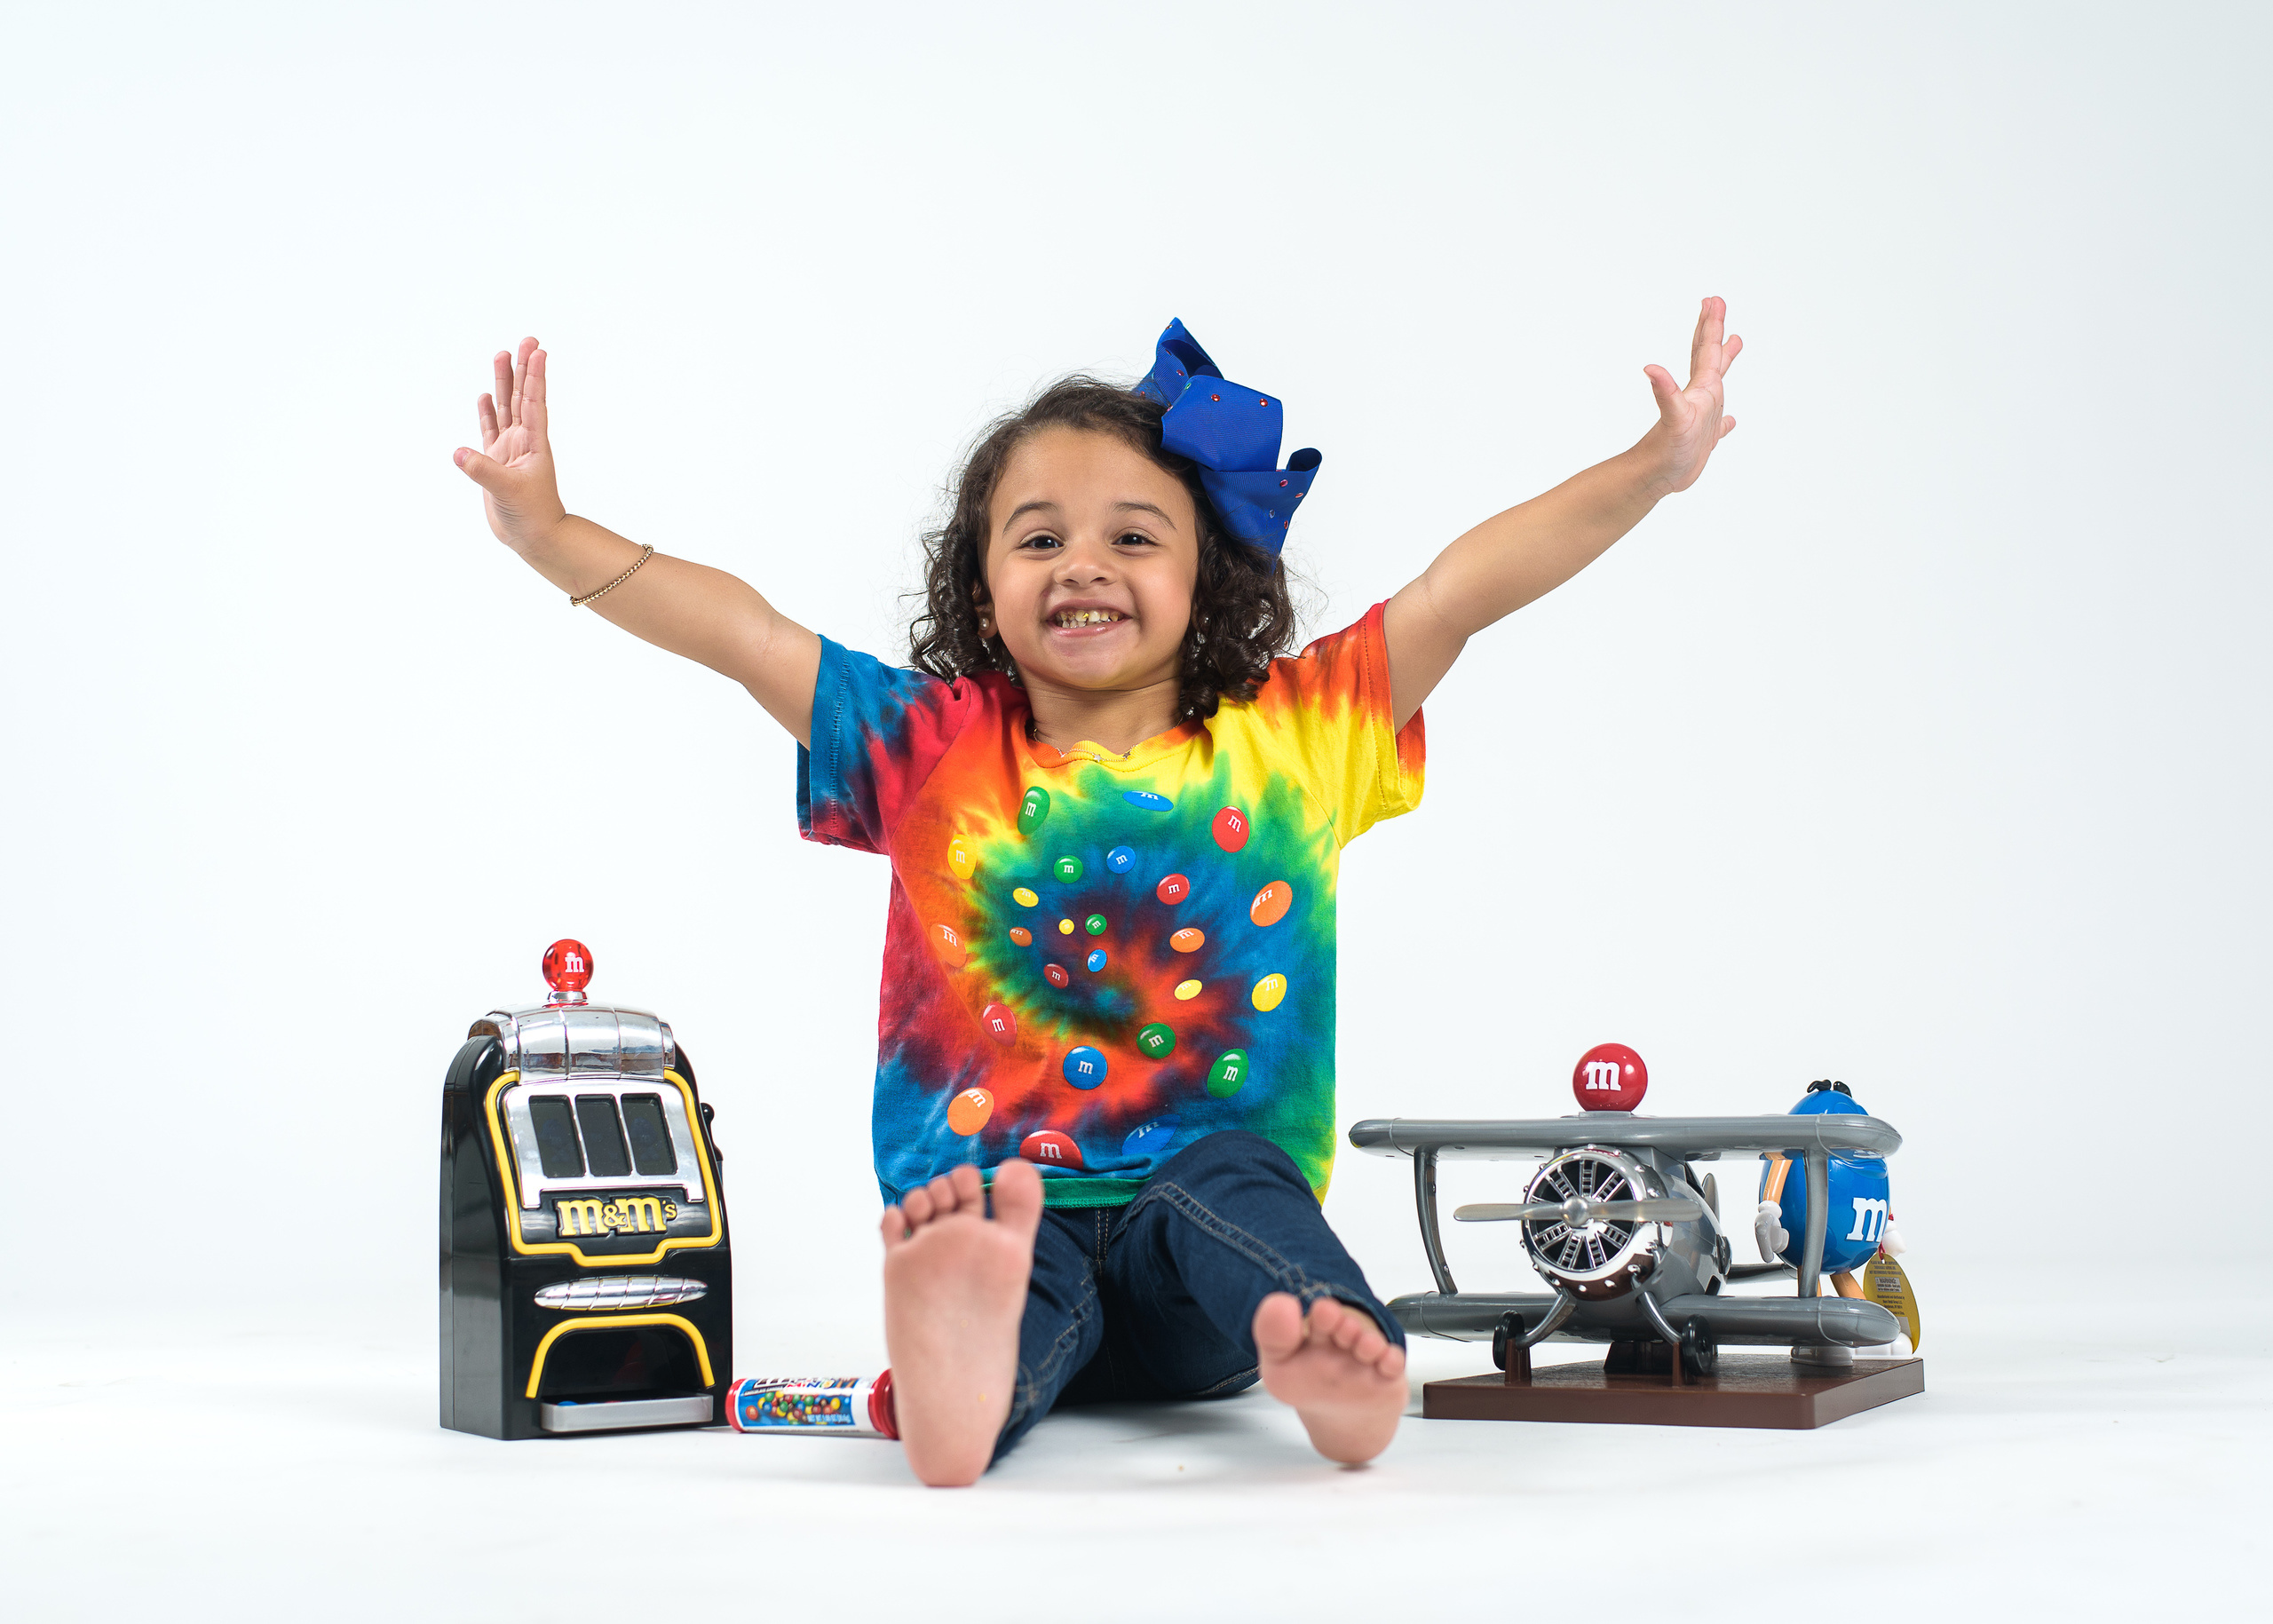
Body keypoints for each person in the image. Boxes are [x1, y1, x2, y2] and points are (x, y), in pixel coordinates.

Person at [453, 306, 1740, 1485]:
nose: (1084, 563)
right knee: (1010, 1259)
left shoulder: (1297, 731)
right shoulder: (925, 743)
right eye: (1040, 536)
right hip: (1005, 1207)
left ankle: (1329, 1345)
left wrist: (1653, 467)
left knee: (1225, 1184)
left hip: (1217, 1278)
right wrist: (548, 531)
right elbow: (745, 633)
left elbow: (1467, 588)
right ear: (981, 586)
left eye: (1134, 534)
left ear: (1209, 575)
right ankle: (964, 1383)